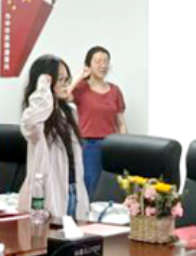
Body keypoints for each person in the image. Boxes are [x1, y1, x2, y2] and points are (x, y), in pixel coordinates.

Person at [20, 56, 90, 224]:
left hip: (73, 190)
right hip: (49, 194)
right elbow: (35, 116)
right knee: (50, 237)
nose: (66, 84)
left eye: (67, 79)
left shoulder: (70, 111)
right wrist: (43, 84)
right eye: (60, 80)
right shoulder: (35, 118)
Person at [73, 45, 127, 196]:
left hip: (112, 145)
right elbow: (63, 96)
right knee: (92, 187)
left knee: (113, 187)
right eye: (98, 62)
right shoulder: (81, 88)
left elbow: (121, 123)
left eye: (106, 61)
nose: (103, 65)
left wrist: (124, 146)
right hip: (89, 146)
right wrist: (80, 76)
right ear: (88, 65)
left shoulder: (115, 90)